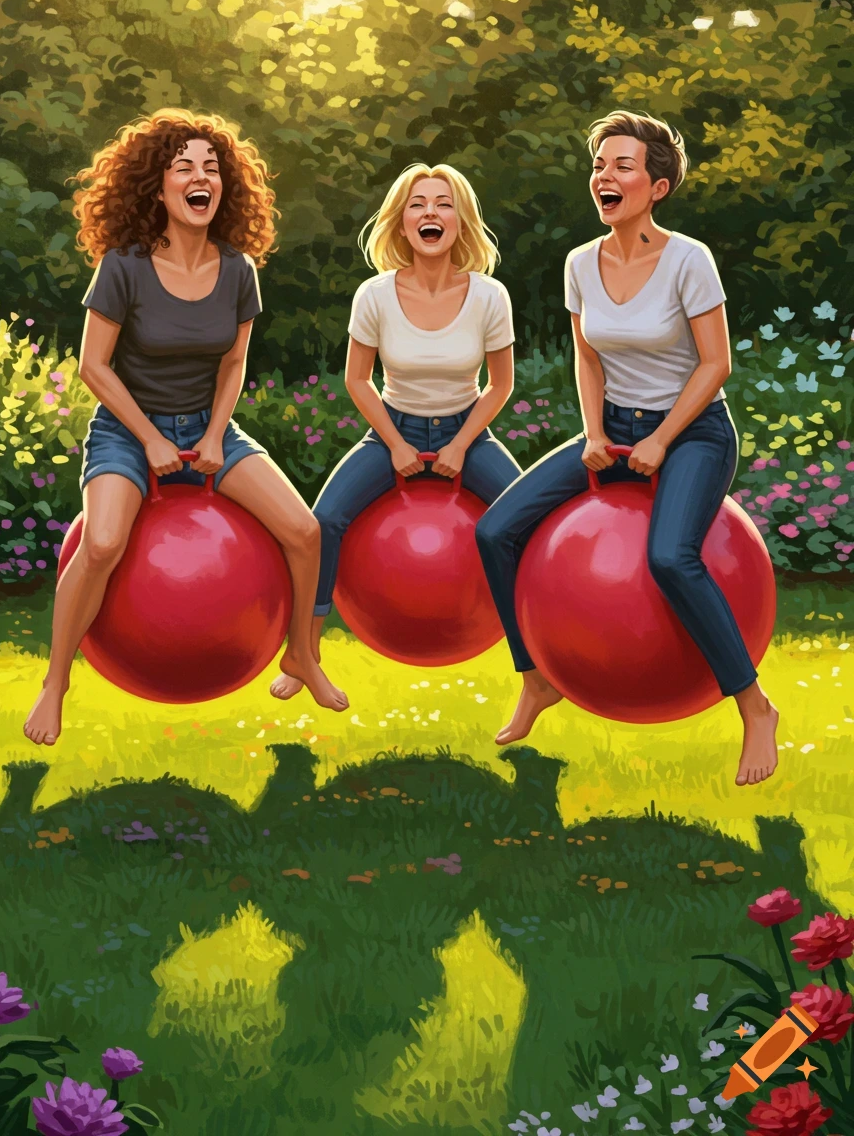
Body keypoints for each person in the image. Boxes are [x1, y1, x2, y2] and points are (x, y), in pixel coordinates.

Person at [23, 108, 347, 747]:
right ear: (158, 185)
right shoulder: (125, 264)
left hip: (208, 428)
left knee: (305, 531)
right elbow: (93, 367)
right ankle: (55, 682)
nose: (201, 178)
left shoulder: (236, 269)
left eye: (212, 168)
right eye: (184, 167)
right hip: (126, 428)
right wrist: (148, 438)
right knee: (105, 542)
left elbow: (233, 362)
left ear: (224, 186)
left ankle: (301, 655)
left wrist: (211, 436)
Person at [475, 110, 779, 786]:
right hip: (613, 429)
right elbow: (587, 359)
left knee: (671, 557)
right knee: (496, 529)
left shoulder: (688, 260)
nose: (603, 177)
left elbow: (715, 365)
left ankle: (755, 707)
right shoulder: (581, 262)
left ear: (657, 186)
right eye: (599, 165)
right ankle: (536, 679)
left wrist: (664, 439)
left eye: (621, 166)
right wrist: (592, 434)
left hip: (695, 432)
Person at [270, 162, 522, 700]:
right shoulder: (375, 296)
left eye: (443, 202)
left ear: (461, 221)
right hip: (392, 430)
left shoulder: (489, 296)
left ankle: (542, 664)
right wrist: (397, 444)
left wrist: (458, 445)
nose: (430, 212)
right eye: (417, 203)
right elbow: (358, 380)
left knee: (533, 521)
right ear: (402, 222)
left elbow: (499, 386)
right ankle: (304, 658)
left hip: (467, 432)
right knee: (324, 522)